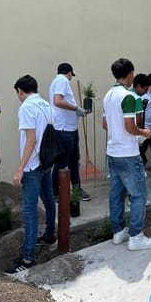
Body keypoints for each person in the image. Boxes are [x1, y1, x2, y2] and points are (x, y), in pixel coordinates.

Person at [103, 58, 151, 251]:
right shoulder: (128, 96)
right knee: (139, 194)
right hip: (128, 153)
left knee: (116, 193)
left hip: (113, 152)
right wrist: (144, 132)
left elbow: (105, 125)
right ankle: (136, 235)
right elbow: (129, 126)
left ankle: (118, 232)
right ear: (130, 74)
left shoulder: (108, 95)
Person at [5, 75, 58, 274]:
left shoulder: (27, 107)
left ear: (20, 91)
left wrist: (20, 168)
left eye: (17, 93)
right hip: (46, 161)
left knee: (29, 211)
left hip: (33, 165)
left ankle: (27, 259)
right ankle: (50, 235)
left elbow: (30, 140)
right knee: (48, 199)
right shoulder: (47, 105)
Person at [49, 62, 92, 205]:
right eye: (71, 75)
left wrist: (77, 112)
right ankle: (54, 193)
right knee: (61, 162)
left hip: (70, 129)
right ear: (69, 72)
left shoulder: (58, 82)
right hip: (64, 130)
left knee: (74, 161)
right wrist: (76, 108)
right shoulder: (62, 80)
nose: (71, 78)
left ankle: (77, 190)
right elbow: (58, 101)